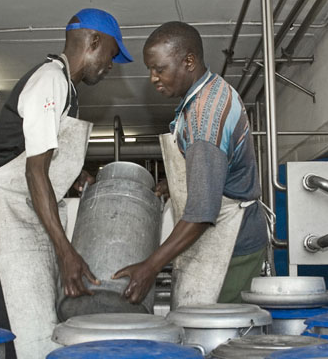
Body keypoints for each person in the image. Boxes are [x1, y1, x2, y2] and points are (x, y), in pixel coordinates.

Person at [0, 8, 133, 359]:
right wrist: (67, 253)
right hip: (0, 211)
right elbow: (34, 171)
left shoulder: (67, 89)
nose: (111, 65)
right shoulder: (50, 82)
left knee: (36, 319)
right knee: (10, 324)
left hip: (23, 212)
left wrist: (76, 174)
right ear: (93, 41)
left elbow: (34, 155)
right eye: (111, 54)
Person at [114, 21, 267, 308]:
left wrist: (150, 266)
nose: (153, 78)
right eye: (150, 70)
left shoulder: (205, 120)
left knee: (216, 334)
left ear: (188, 61)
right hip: (222, 237)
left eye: (160, 69)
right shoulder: (207, 93)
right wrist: (175, 186)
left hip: (232, 245)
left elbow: (201, 213)